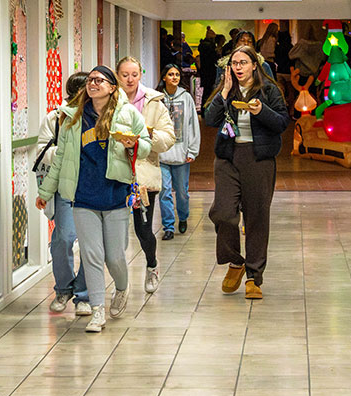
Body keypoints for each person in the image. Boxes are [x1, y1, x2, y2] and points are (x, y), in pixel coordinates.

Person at [37, 65, 151, 333]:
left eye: (100, 80)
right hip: (83, 196)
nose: (93, 84)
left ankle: (121, 287)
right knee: (91, 254)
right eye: (90, 80)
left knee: (113, 257)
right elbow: (61, 158)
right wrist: (45, 192)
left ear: (112, 87)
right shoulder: (73, 118)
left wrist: (133, 144)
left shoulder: (127, 113)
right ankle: (97, 310)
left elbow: (145, 147)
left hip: (114, 195)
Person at [204, 46, 289, 299]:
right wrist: (224, 93)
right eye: (234, 63)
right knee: (223, 212)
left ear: (255, 65)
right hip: (228, 157)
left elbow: (282, 123)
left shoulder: (269, 90)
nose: (238, 67)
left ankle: (254, 276)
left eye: (243, 62)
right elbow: (209, 119)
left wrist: (261, 111)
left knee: (257, 218)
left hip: (258, 159)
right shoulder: (225, 90)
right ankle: (235, 261)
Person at [116, 56, 175, 294]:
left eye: (134, 74)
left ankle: (152, 264)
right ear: (117, 76)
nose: (130, 79)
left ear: (141, 74)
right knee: (115, 233)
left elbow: (169, 138)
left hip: (144, 177)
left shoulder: (154, 103)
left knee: (143, 229)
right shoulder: (110, 101)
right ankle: (119, 283)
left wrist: (146, 138)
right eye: (124, 75)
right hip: (116, 175)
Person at [35, 72, 91, 317]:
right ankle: (63, 288)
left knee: (92, 244)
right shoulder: (55, 118)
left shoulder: (99, 115)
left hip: (92, 187)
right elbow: (42, 152)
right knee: (63, 238)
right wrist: (68, 153)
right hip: (64, 186)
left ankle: (84, 294)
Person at [156, 64, 201, 240]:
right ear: (164, 77)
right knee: (164, 191)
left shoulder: (186, 97)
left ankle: (183, 217)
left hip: (181, 153)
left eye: (176, 74)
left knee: (182, 192)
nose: (174, 77)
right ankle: (168, 226)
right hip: (162, 153)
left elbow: (192, 124)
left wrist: (192, 150)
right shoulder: (157, 98)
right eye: (170, 74)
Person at [197, 30, 220, 109]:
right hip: (209, 72)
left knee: (206, 92)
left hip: (205, 72)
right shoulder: (209, 46)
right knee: (208, 92)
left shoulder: (203, 45)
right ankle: (206, 109)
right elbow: (214, 59)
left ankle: (204, 109)